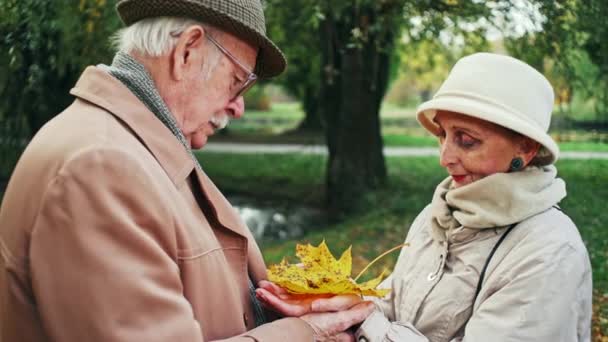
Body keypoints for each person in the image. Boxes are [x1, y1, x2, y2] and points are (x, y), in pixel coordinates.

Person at [0, 0, 374, 341]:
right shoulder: (101, 167)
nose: (238, 107)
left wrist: (286, 306)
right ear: (187, 52)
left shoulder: (137, 146)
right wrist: (306, 334)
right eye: (237, 81)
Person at [256, 53, 593, 341]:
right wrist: (337, 302)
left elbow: (377, 324)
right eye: (443, 134)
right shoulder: (437, 216)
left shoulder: (548, 253)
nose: (444, 157)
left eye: (467, 140)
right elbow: (392, 305)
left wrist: (364, 323)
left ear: (526, 148)